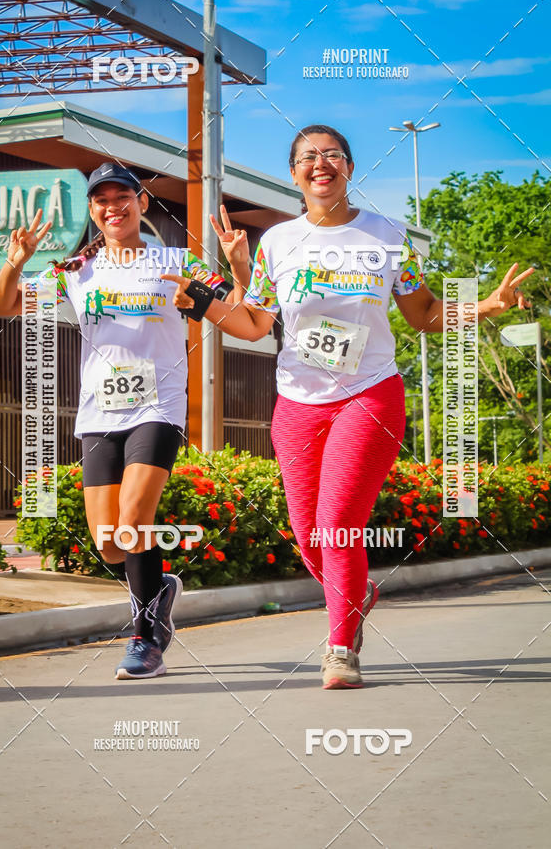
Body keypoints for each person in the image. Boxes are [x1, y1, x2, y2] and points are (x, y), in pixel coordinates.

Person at [164, 124, 534, 690]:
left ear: (350, 168)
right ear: (294, 173)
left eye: (333, 154)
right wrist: (202, 307)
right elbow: (254, 323)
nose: (321, 164)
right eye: (308, 157)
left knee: (338, 526)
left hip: (370, 394)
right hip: (296, 404)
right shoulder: (278, 243)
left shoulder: (388, 238)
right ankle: (356, 594)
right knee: (309, 536)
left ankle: (340, 647)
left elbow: (425, 314)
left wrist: (487, 305)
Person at [0, 162, 250, 680]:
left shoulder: (179, 259)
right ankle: (161, 587)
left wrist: (239, 270)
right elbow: (3, 306)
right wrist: (15, 263)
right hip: (98, 414)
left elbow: (242, 314)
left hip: (159, 406)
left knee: (132, 524)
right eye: (101, 200)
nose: (113, 207)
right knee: (110, 542)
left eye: (122, 197)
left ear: (141, 204)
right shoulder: (75, 270)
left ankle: (146, 635)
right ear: (92, 211)